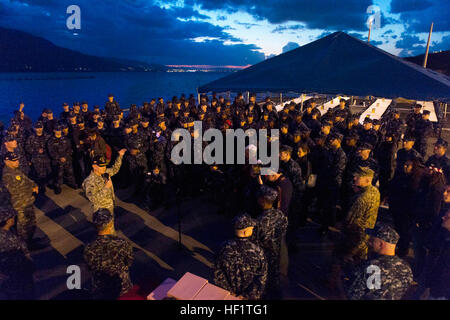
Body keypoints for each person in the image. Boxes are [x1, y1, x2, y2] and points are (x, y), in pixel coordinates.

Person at [346, 223, 413, 300]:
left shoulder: (373, 267)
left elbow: (353, 296)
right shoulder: (406, 268)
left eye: (371, 240)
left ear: (381, 244)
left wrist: (337, 282)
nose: (368, 243)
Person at [213, 213, 268, 300]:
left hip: (228, 296)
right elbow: (261, 277)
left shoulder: (223, 248)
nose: (253, 228)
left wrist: (229, 292)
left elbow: (217, 273)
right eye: (251, 228)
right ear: (246, 232)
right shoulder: (257, 252)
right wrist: (246, 295)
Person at [84, 209, 134, 299]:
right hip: (122, 287)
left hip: (101, 288)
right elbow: (129, 262)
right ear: (110, 223)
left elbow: (89, 267)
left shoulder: (89, 247)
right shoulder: (122, 244)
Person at [254, 185, 288, 298]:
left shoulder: (260, 220)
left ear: (262, 200)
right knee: (277, 285)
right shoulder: (281, 215)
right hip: (280, 256)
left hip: (266, 258)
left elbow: (255, 242)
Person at [2, 152, 39, 246]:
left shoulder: (15, 170)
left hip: (27, 202)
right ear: (7, 161)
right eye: (14, 161)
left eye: (17, 160)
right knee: (22, 228)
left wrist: (34, 185)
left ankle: (30, 242)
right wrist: (31, 190)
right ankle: (24, 246)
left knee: (31, 224)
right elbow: (14, 191)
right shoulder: (7, 175)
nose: (17, 162)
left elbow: (26, 180)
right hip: (19, 205)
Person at [344, 167, 380, 263]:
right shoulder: (375, 192)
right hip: (366, 238)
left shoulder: (361, 199)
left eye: (358, 177)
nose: (355, 178)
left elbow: (349, 220)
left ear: (367, 180)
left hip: (355, 238)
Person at [0, 206, 35, 299]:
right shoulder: (10, 237)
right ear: (8, 221)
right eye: (11, 217)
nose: (13, 219)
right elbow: (23, 251)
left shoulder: (8, 232)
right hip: (17, 273)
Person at [82, 149, 126, 214]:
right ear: (94, 166)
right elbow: (93, 199)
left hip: (110, 206)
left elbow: (115, 169)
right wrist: (106, 187)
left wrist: (120, 156)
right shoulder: (89, 181)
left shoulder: (105, 173)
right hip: (101, 211)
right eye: (101, 166)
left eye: (105, 165)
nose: (104, 168)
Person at [47, 124, 77, 194]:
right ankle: (58, 186)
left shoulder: (66, 139)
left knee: (70, 172)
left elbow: (69, 149)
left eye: (60, 130)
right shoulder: (51, 141)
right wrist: (59, 158)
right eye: (57, 130)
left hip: (67, 160)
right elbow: (51, 152)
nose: (59, 132)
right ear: (54, 131)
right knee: (58, 175)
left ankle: (72, 183)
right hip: (57, 161)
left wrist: (65, 157)